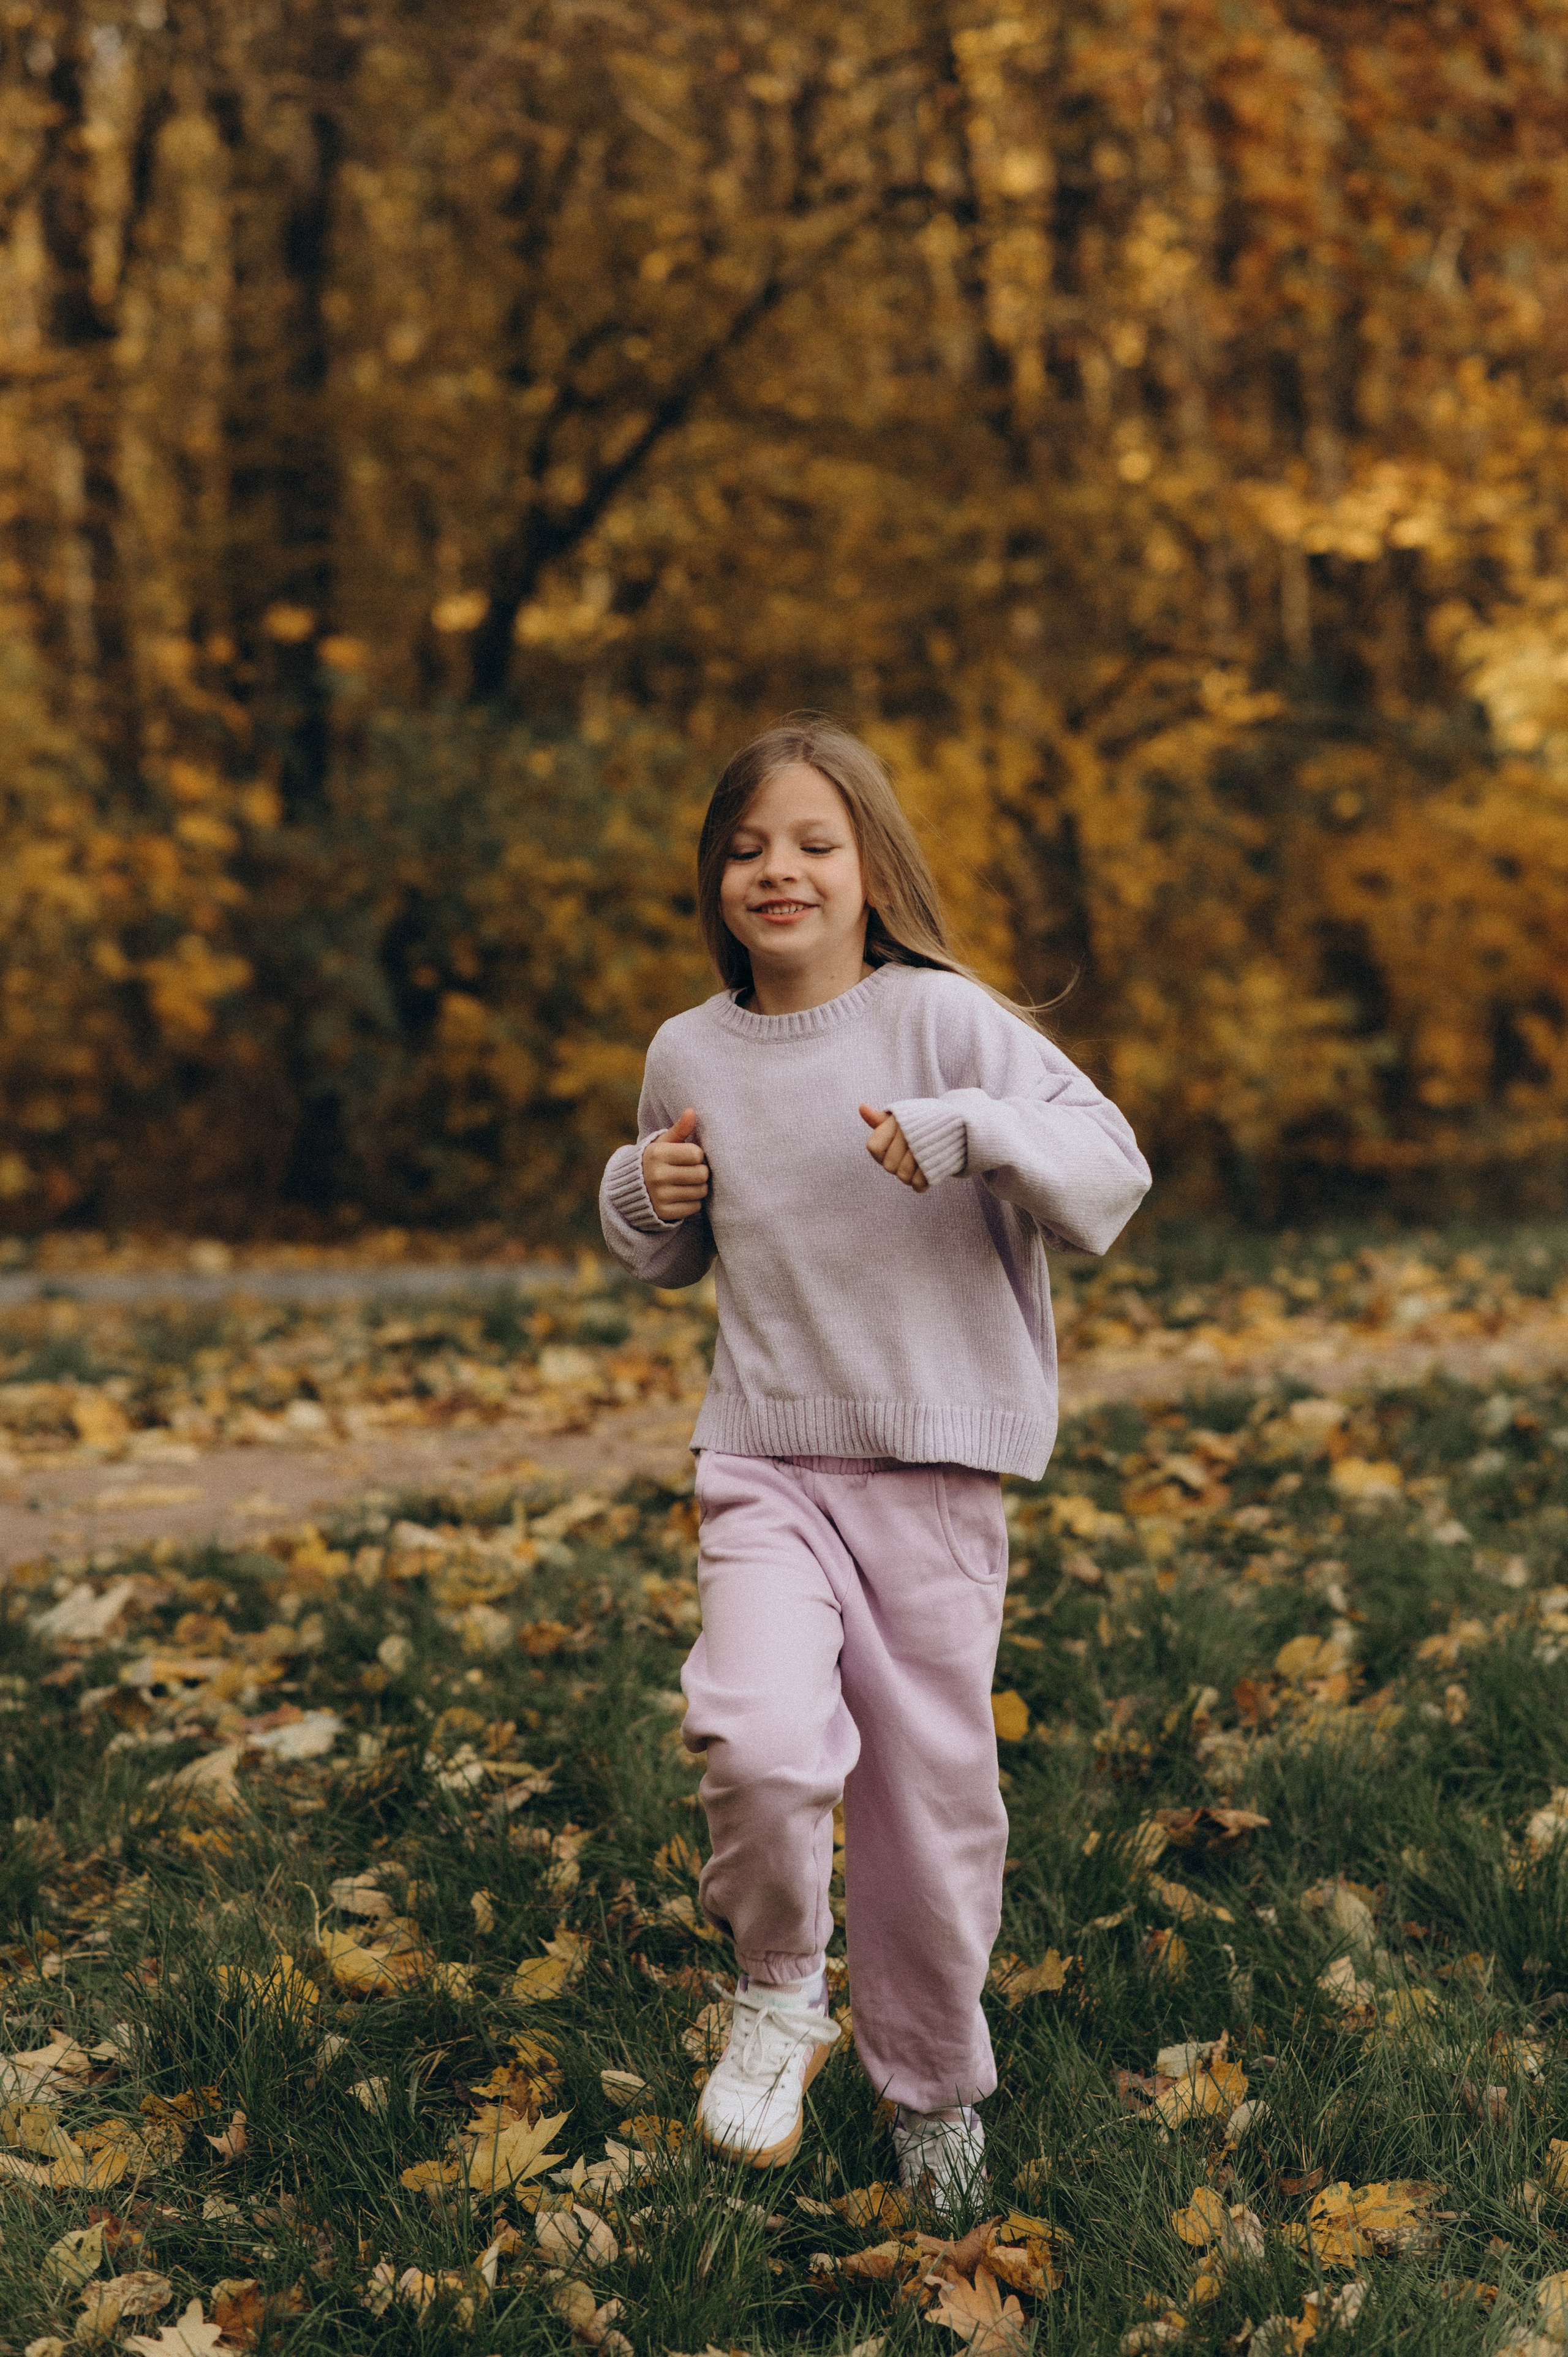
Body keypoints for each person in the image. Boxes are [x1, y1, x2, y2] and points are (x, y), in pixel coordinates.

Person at [598, 715, 1150, 2213]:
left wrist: (975, 1131)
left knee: (926, 1810)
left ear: (868, 867)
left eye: (812, 844)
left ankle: (930, 2094)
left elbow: (1111, 1171)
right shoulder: (687, 1051)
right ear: (713, 879)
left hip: (930, 1476)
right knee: (761, 1743)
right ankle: (779, 1988)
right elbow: (663, 1248)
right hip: (764, 1462)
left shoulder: (943, 1024)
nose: (777, 870)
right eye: (745, 848)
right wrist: (638, 1186)